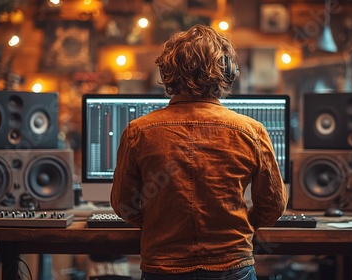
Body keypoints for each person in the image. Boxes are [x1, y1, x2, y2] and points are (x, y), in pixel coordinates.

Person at [111, 24, 288, 280]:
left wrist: (158, 224)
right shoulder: (252, 131)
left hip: (163, 267)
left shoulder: (138, 131)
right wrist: (239, 225)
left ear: (167, 72)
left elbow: (123, 205)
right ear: (228, 72)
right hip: (231, 265)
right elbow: (273, 206)